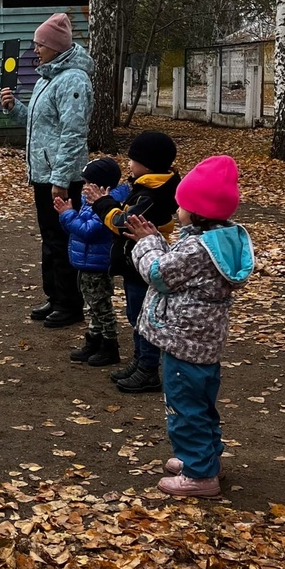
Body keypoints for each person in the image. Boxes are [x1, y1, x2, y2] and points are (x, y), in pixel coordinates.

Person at [125, 155, 253, 498]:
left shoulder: (197, 248)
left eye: (181, 205)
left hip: (184, 343)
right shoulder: (220, 238)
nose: (177, 210)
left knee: (184, 407)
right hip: (204, 343)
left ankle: (199, 474)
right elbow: (180, 268)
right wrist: (159, 241)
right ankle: (206, 458)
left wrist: (147, 243)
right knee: (202, 404)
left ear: (197, 211)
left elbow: (159, 273)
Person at [0, 12, 93, 328]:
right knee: (51, 240)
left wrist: (61, 179)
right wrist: (15, 109)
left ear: (56, 46)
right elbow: (42, 126)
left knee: (63, 241)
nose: (36, 49)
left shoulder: (73, 80)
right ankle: (55, 297)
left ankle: (70, 305)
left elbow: (73, 133)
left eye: (40, 44)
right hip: (44, 175)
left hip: (63, 179)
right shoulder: (48, 78)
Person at [90, 130, 180, 394]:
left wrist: (102, 202)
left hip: (143, 265)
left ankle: (148, 369)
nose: (128, 164)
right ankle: (140, 362)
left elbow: (123, 223)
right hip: (135, 263)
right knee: (136, 316)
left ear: (147, 164)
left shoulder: (151, 194)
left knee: (144, 317)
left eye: (133, 160)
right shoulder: (146, 188)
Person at [55, 157, 130, 367]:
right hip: (87, 261)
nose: (84, 186)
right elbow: (77, 230)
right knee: (93, 306)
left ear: (101, 185)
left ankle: (110, 345)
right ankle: (94, 340)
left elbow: (90, 231)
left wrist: (68, 215)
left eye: (89, 183)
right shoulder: (90, 201)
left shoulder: (105, 204)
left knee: (101, 306)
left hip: (97, 263)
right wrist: (67, 215)